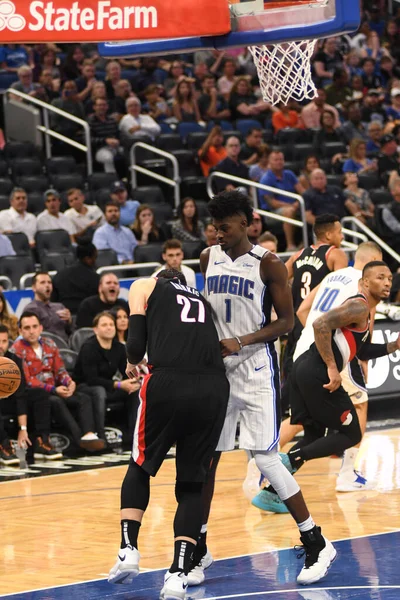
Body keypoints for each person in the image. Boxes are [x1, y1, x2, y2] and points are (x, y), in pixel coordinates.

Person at [192, 190, 335, 589]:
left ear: (247, 222)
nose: (218, 233)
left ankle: (315, 540)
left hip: (255, 368)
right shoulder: (207, 258)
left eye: (225, 226)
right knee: (207, 462)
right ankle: (199, 547)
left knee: (266, 459)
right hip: (217, 373)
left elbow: (287, 322)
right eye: (214, 227)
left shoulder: (269, 263)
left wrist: (243, 340)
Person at [108, 268, 229, 600]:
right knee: (192, 484)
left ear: (160, 276)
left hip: (169, 383)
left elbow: (134, 344)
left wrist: (134, 361)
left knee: (141, 464)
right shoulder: (201, 299)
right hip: (214, 388)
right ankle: (178, 574)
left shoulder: (146, 285)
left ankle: (128, 549)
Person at [267, 261, 400, 511]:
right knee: (351, 434)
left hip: (303, 368)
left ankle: (272, 492)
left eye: (390, 279)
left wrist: (393, 346)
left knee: (314, 434)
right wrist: (330, 366)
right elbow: (320, 324)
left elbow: (361, 350)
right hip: (316, 369)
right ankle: (286, 460)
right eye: (380, 277)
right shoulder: (358, 305)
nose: (387, 283)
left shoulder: (364, 311)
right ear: (365, 282)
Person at [290, 242, 384, 492]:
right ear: (374, 261)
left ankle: (266, 464)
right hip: (329, 351)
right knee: (360, 404)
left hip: (303, 349)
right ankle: (347, 474)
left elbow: (303, 310)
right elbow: (362, 332)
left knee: (306, 423)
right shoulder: (363, 286)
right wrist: (357, 359)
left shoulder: (333, 275)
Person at [11, 312, 104, 452]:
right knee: (55, 401)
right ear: (20, 330)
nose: (31, 331)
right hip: (37, 395)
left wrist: (69, 382)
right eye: (27, 328)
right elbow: (28, 381)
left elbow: (60, 370)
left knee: (83, 398)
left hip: (56, 389)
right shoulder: (17, 350)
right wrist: (54, 390)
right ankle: (80, 440)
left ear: (41, 328)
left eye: (34, 327)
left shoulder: (50, 343)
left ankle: (89, 435)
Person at [281, 214, 348, 396]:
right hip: (321, 324)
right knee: (324, 383)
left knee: (295, 378)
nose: (342, 236)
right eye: (339, 232)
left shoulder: (298, 255)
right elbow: (343, 287)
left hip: (296, 323)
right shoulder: (336, 254)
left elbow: (277, 281)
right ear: (328, 235)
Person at [73, 312, 140, 442]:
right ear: (95, 329)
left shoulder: (119, 348)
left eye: (111, 325)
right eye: (104, 325)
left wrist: (135, 381)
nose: (109, 328)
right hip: (84, 387)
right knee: (99, 391)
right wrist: (119, 385)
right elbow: (91, 379)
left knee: (135, 391)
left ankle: (134, 434)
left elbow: (126, 371)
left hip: (108, 386)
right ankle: (100, 434)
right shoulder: (89, 347)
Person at [0, 324, 62, 464]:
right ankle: (3, 444)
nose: (1, 346)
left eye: (4, 341)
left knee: (40, 393)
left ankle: (41, 440)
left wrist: (23, 429)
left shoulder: (13, 360)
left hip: (9, 401)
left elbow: (20, 394)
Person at [259, 150, 305, 251]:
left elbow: (302, 192)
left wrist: (297, 203)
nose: (279, 162)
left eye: (281, 159)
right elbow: (272, 203)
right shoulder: (266, 179)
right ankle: (290, 246)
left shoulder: (289, 174)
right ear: (269, 162)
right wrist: (292, 205)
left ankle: (309, 243)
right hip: (271, 213)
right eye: (276, 160)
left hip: (294, 206)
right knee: (289, 212)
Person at [51, 243, 100, 314]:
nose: (95, 261)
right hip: (87, 316)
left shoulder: (59, 275)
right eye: (95, 257)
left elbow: (53, 302)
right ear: (88, 259)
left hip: (63, 316)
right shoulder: (95, 277)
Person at [25, 272, 72, 343]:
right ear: (34, 288)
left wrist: (69, 321)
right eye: (42, 282)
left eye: (49, 282)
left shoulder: (59, 306)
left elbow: (70, 331)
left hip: (66, 345)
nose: (47, 285)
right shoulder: (30, 309)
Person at [88, 98, 122, 174]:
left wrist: (117, 141)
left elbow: (118, 135)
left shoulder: (112, 120)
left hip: (116, 147)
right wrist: (105, 141)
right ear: (94, 107)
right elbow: (88, 139)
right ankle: (113, 181)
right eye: (99, 105)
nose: (102, 107)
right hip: (100, 149)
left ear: (107, 107)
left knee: (129, 152)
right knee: (108, 157)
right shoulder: (90, 121)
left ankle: (130, 179)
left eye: (104, 105)